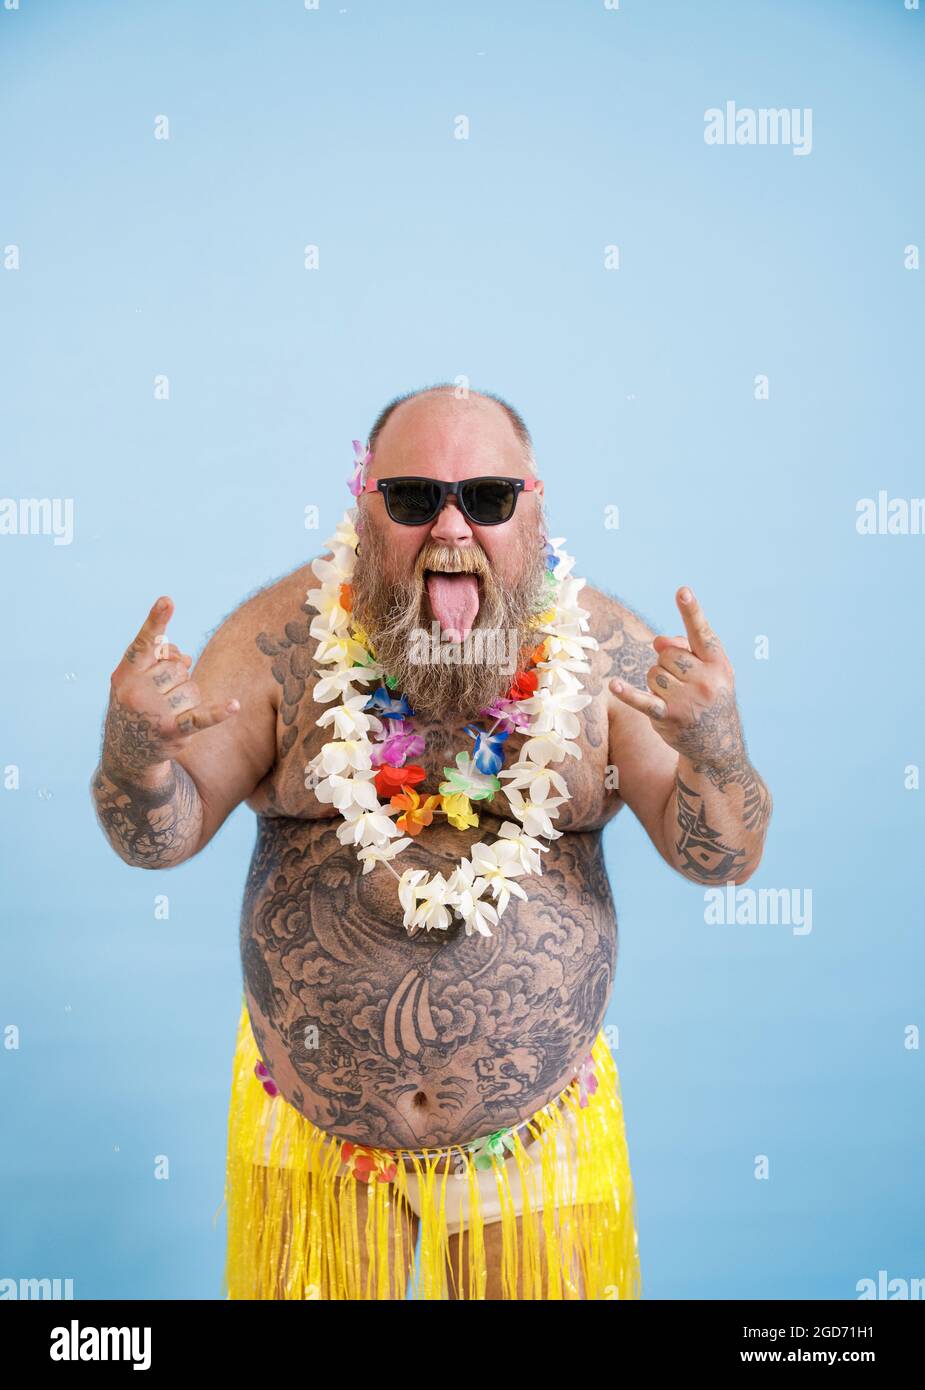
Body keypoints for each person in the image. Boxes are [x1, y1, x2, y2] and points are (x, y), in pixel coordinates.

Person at [90, 385, 772, 1299]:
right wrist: (134, 761)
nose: (450, 528)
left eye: (485, 497)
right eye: (412, 498)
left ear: (534, 507)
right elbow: (155, 841)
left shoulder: (605, 652)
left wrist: (717, 752)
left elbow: (718, 860)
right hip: (313, 1145)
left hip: (538, 1143)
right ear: (364, 506)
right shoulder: (281, 642)